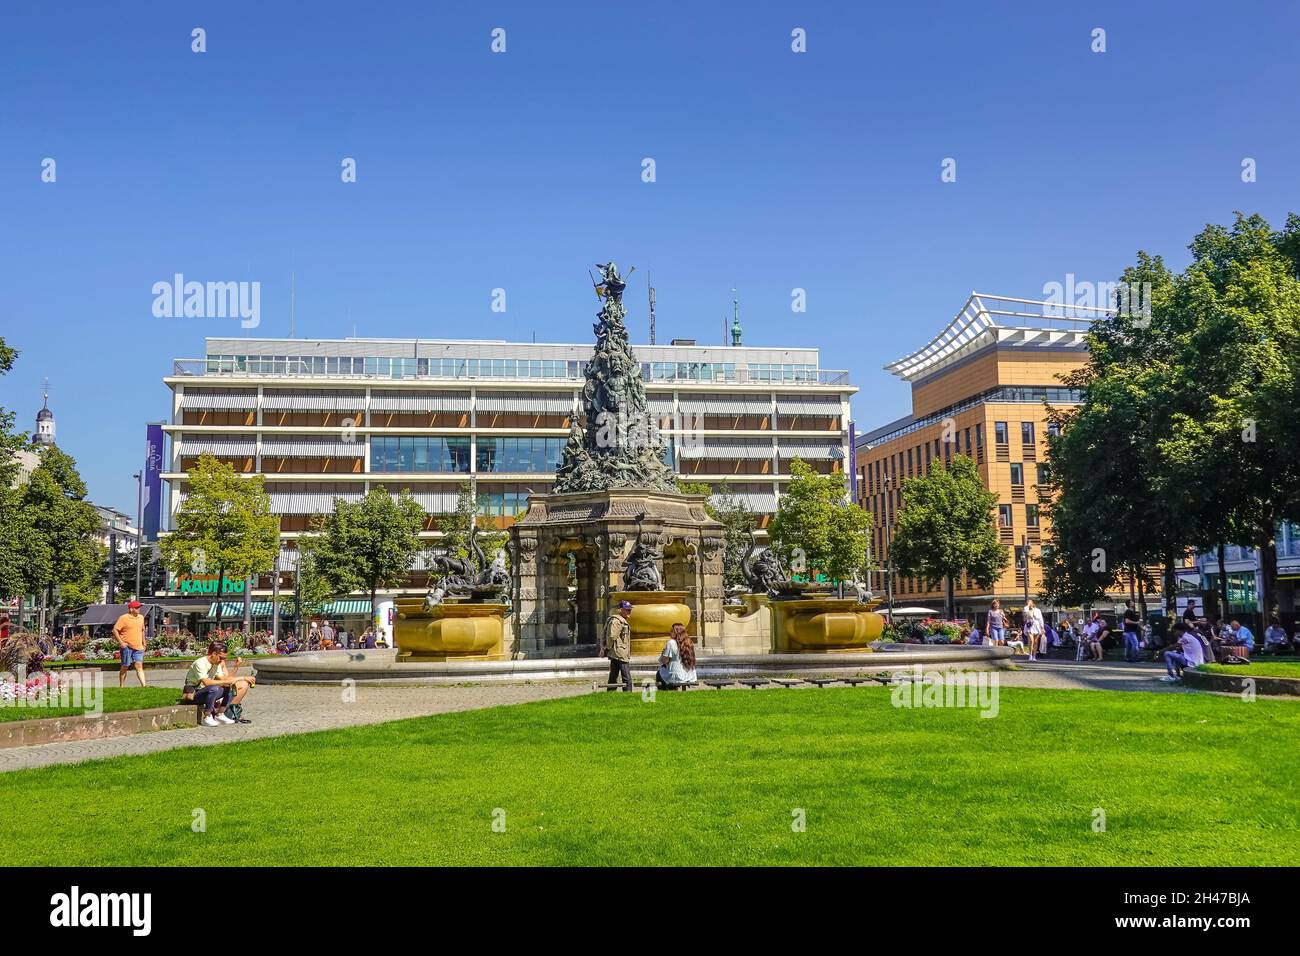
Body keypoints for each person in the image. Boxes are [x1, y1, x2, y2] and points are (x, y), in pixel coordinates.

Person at [185, 642, 256, 726]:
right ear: (214, 653)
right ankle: (207, 717)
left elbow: (224, 679)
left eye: (224, 659)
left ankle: (220, 714)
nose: (222, 661)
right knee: (214, 688)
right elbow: (207, 682)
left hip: (208, 691)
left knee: (230, 687)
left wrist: (242, 678)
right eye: (221, 658)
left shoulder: (216, 664)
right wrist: (227, 681)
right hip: (194, 694)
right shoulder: (200, 663)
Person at [113, 601, 149, 688]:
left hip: (138, 647)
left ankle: (144, 685)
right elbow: (115, 630)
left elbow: (142, 631)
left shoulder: (141, 617)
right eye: (137, 608)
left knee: (139, 665)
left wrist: (144, 643)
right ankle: (121, 686)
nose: (139, 609)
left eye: (139, 607)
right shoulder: (123, 618)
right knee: (125, 666)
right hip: (127, 647)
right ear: (131, 609)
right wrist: (121, 642)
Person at [656, 622, 697, 690]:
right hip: (690, 675)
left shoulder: (671, 642)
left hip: (677, 676)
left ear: (677, 632)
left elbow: (664, 661)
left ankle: (666, 691)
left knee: (659, 673)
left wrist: (663, 653)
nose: (670, 632)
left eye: (672, 631)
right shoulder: (689, 642)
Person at [604, 600, 633, 692]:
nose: (629, 612)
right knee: (627, 677)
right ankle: (628, 694)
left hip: (617, 652)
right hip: (620, 653)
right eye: (627, 610)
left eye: (630, 610)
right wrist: (607, 648)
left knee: (613, 675)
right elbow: (612, 636)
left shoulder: (621, 620)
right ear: (620, 610)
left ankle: (611, 692)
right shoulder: (616, 621)